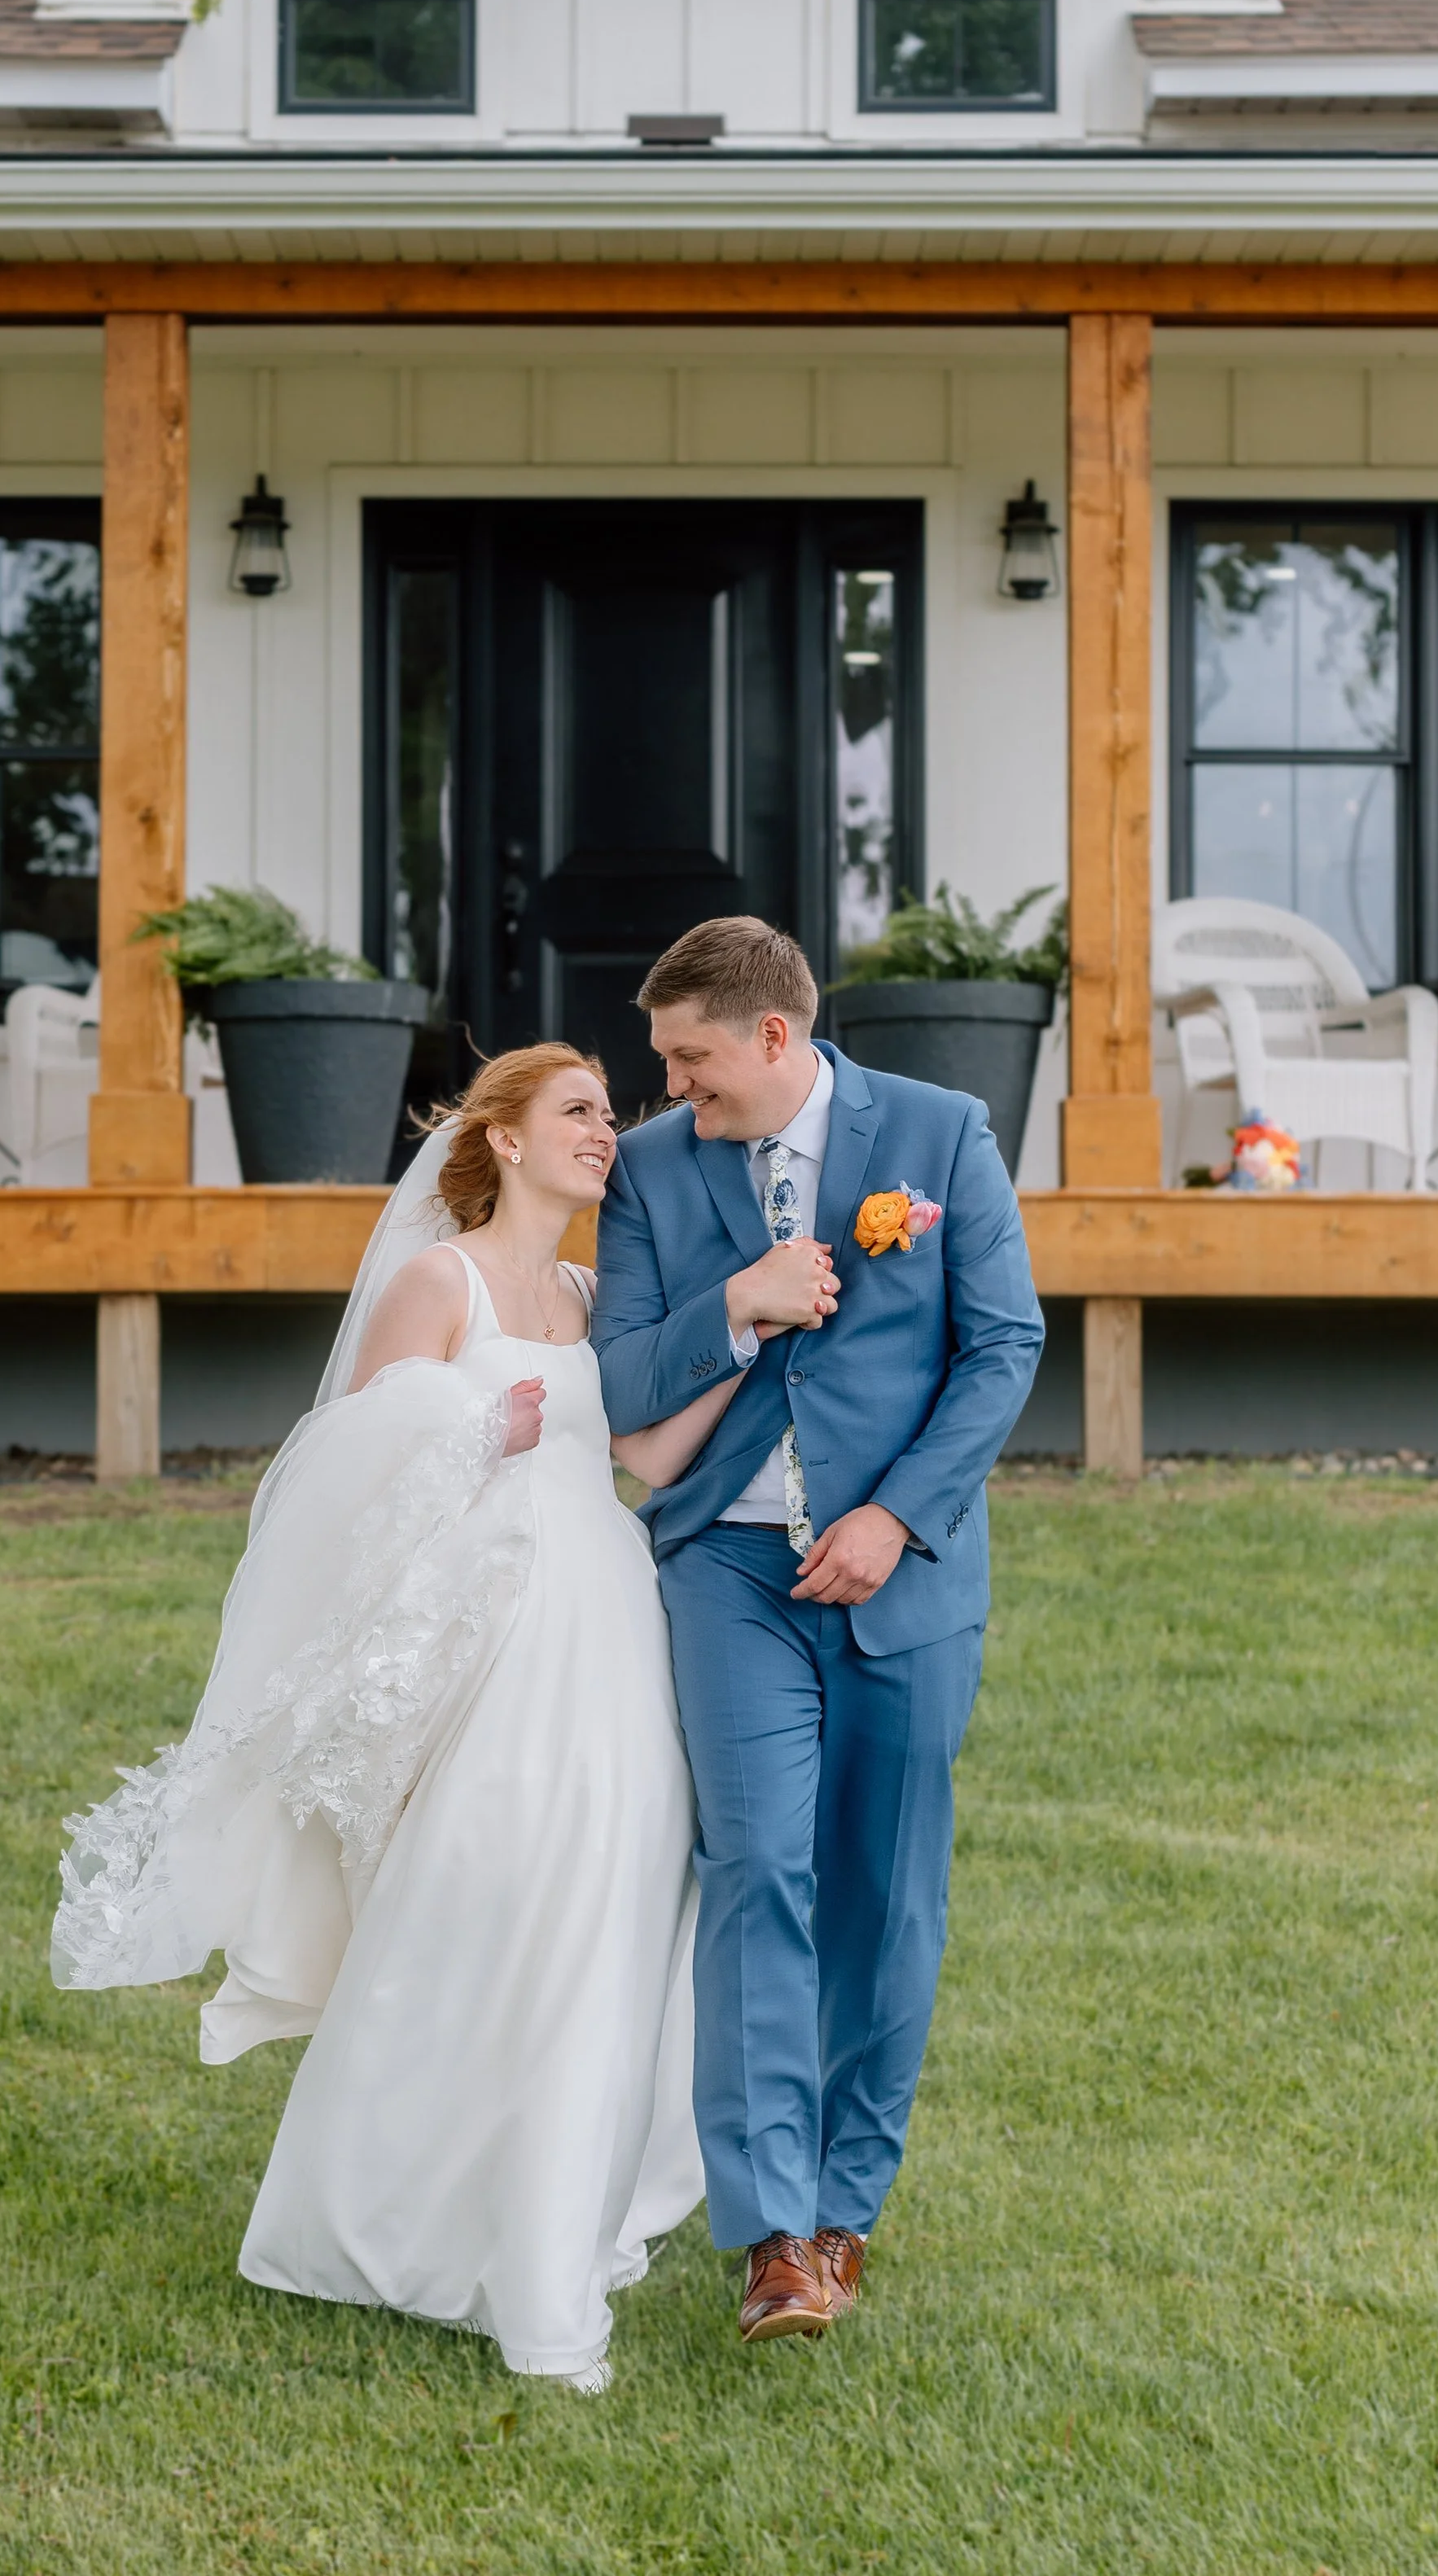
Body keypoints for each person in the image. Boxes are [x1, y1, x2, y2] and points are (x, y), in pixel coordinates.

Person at [52, 1042, 750, 2392]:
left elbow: (644, 1452)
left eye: (613, 1112)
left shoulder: (592, 1292)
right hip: (490, 1642)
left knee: (614, 1891)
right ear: (500, 1139)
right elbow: (345, 1471)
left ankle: (556, 2198)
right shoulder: (443, 1279)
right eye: (578, 1112)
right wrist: (476, 1429)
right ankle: (382, 2215)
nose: (608, 1132)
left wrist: (749, 1328)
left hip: (605, 1620)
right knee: (484, 1890)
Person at [594, 917, 1045, 2345]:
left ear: (775, 1037)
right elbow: (618, 1381)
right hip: (727, 1572)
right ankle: (776, 2237)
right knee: (755, 1875)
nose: (669, 1089)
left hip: (901, 1576)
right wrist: (736, 1305)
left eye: (691, 1058)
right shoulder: (658, 1173)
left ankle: (848, 2210)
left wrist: (900, 1518)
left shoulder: (944, 1131)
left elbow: (1005, 1345)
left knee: (885, 1895)